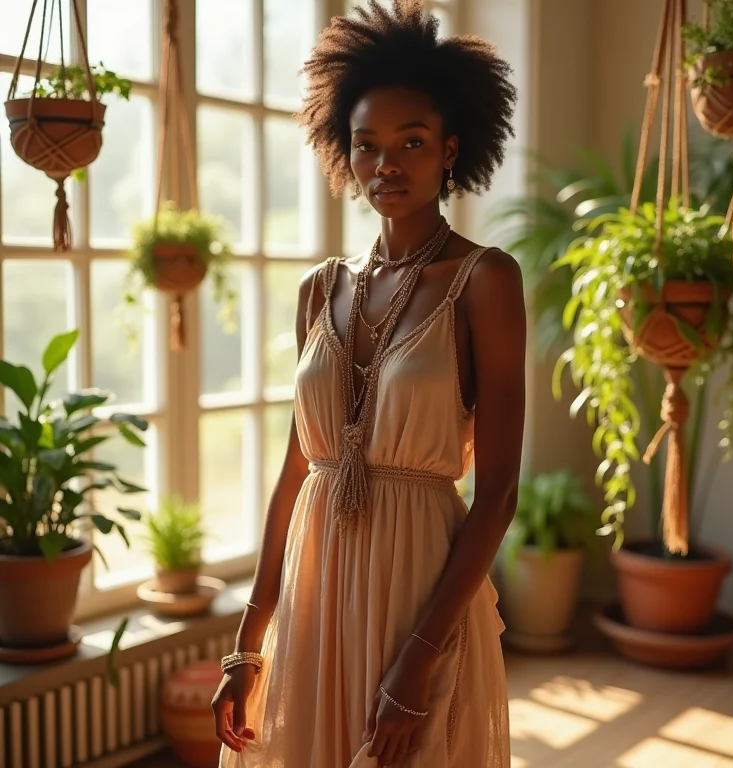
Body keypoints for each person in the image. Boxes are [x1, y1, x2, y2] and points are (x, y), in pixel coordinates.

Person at [211, 1, 525, 766]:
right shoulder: (320, 292)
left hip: (420, 592)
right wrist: (247, 645)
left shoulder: (485, 280)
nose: (388, 163)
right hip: (319, 597)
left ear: (451, 150)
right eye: (367, 145)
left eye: (412, 142)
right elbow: (296, 473)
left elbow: (499, 495)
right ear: (342, 156)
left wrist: (420, 653)